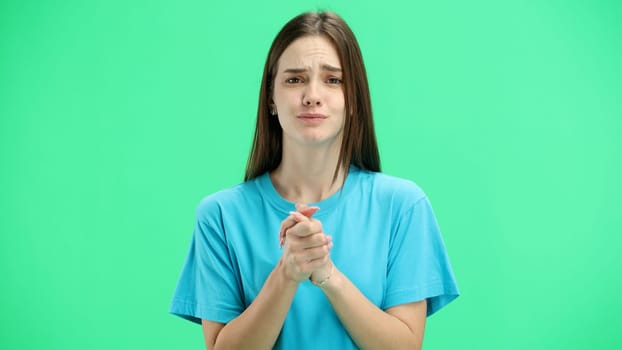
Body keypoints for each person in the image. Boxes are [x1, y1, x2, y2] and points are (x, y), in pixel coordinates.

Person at [169, 11, 459, 349]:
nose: (312, 95)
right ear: (271, 99)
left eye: (333, 80)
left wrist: (327, 274)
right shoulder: (219, 215)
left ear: (354, 100)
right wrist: (288, 272)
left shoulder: (404, 206)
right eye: (294, 80)